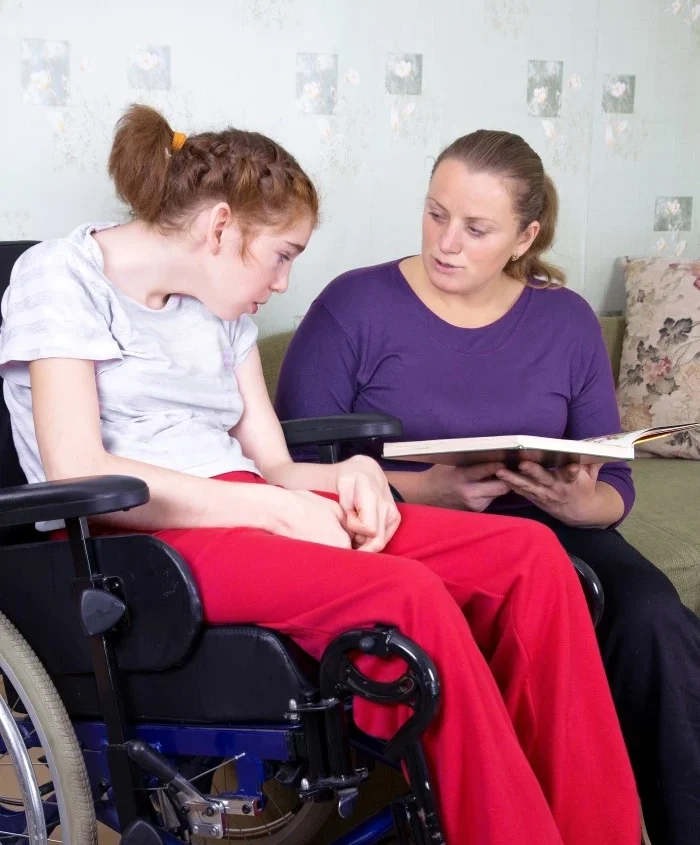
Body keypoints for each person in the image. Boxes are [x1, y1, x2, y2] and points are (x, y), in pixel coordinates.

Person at [0, 107, 640, 845]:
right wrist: (271, 512)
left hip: (239, 504)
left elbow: (272, 463)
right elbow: (79, 466)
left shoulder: (222, 301)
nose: (283, 281)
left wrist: (348, 477)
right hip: (132, 538)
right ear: (219, 229)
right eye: (280, 255)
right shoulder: (60, 274)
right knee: (407, 596)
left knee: (532, 561)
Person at [276, 128, 700, 845]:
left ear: (524, 237)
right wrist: (421, 489)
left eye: (476, 228)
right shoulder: (354, 306)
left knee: (654, 617)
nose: (446, 242)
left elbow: (613, 473)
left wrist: (583, 501)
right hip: (401, 527)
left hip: (550, 522)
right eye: (436, 214)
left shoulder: (565, 320)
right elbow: (290, 458)